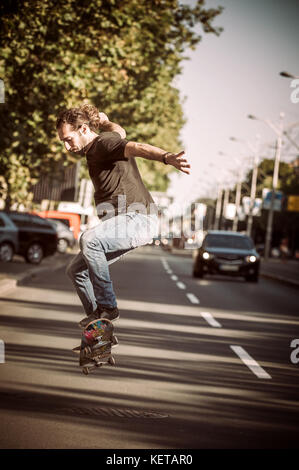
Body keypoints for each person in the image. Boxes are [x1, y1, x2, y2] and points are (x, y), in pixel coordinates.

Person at [56, 104, 191, 328]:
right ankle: (99, 327)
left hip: (137, 219)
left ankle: (108, 307)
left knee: (89, 240)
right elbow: (120, 130)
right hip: (122, 223)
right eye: (63, 141)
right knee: (76, 270)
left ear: (83, 130)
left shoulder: (103, 144)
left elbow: (136, 146)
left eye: (68, 139)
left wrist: (167, 157)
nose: (67, 146)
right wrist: (106, 121)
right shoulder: (106, 138)